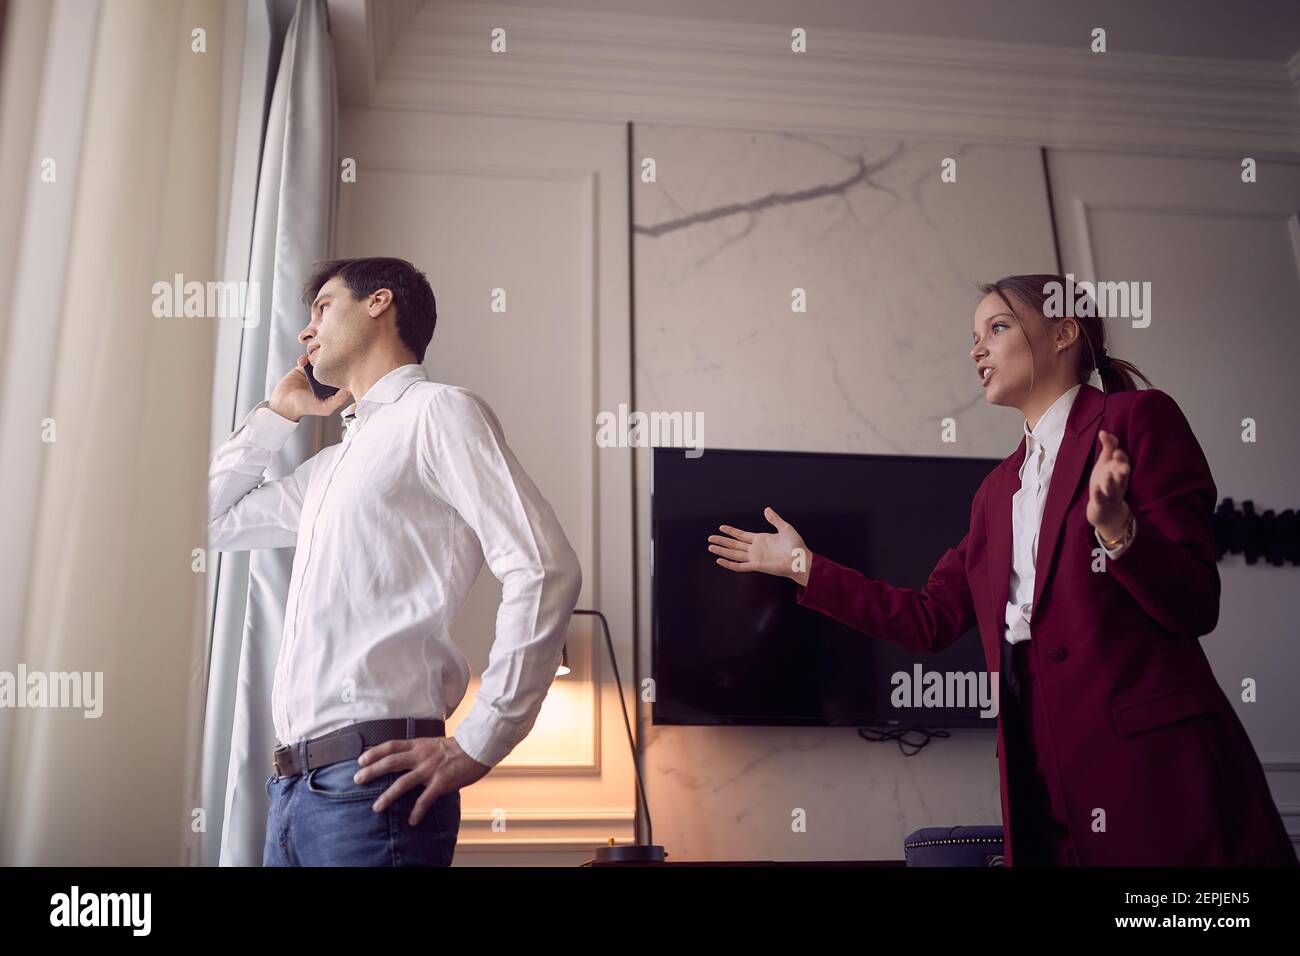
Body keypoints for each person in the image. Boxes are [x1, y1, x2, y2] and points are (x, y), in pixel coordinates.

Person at [707, 273, 1296, 866]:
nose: (977, 349)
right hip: (1043, 795)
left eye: (998, 327)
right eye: (974, 335)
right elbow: (930, 619)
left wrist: (1119, 529)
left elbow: (1197, 602)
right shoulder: (995, 494)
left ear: (1063, 332)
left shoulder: (1139, 419)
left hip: (1157, 784)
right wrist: (801, 565)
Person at [209, 256, 582, 866]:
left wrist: (479, 742)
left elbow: (543, 566)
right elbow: (210, 523)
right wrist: (277, 417)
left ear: (378, 302)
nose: (307, 332)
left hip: (373, 790)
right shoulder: (331, 467)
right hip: (291, 793)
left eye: (323, 308)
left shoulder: (439, 412)